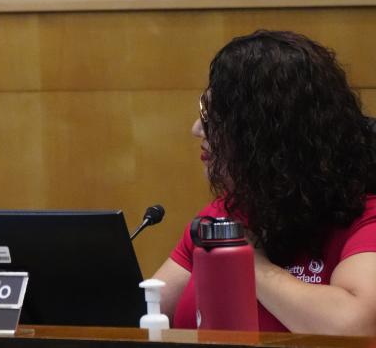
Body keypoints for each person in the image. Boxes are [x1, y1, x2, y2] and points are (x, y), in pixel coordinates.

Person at [153, 30, 376, 335]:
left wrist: (247, 261)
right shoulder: (224, 213)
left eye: (213, 117)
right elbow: (143, 309)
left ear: (265, 136)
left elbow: (355, 326)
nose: (196, 130)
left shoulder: (365, 218)